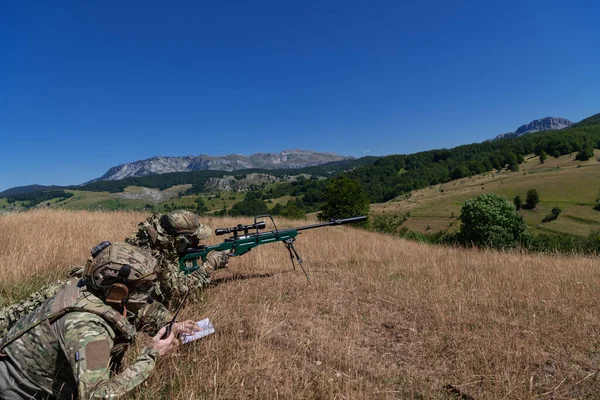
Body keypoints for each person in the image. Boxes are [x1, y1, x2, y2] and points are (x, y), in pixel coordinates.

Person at [0, 242, 198, 399]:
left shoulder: (85, 291)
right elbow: (97, 395)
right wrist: (152, 354)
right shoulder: (89, 327)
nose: (147, 292)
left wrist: (173, 325)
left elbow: (140, 308)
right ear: (119, 290)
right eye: (143, 287)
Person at [0, 210, 228, 336]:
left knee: (15, 315)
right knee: (16, 321)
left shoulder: (148, 241)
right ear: (178, 241)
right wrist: (210, 264)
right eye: (192, 239)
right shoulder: (151, 259)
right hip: (77, 298)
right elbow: (180, 290)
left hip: (77, 286)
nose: (196, 242)